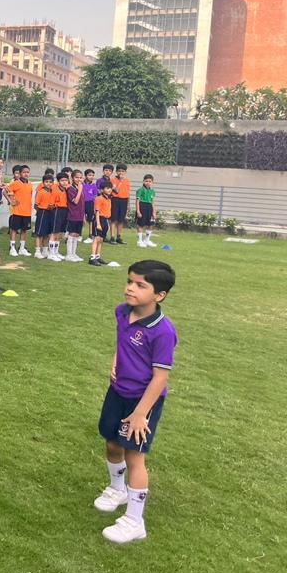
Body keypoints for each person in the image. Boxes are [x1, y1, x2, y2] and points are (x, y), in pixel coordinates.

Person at [94, 260, 178, 544]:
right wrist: (115, 360)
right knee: (111, 443)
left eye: (141, 285)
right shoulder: (122, 311)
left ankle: (134, 520)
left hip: (142, 402)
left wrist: (141, 413)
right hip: (117, 392)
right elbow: (123, 342)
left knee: (134, 456)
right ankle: (117, 489)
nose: (130, 288)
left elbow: (160, 377)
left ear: (159, 295)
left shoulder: (163, 331)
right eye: (130, 281)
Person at [7, 165, 32, 257]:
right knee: (14, 229)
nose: (26, 174)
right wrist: (11, 200)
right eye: (24, 172)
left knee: (24, 230)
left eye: (27, 172)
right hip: (17, 211)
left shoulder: (30, 184)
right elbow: (6, 191)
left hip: (27, 212)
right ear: (20, 173)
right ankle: (12, 248)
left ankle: (22, 248)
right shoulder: (15, 183)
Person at [90, 180, 114, 266]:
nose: (109, 190)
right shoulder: (99, 198)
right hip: (99, 219)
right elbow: (97, 211)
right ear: (102, 190)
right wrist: (98, 224)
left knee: (101, 240)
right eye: (107, 188)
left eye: (110, 188)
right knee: (96, 238)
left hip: (105, 220)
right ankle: (92, 257)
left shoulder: (109, 199)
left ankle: (98, 256)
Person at [33, 173, 56, 259]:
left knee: (47, 233)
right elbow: (36, 205)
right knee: (39, 233)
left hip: (50, 212)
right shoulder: (41, 192)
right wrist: (40, 212)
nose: (48, 184)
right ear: (43, 183)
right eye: (46, 182)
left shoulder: (53, 192)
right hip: (42, 212)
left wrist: (52, 207)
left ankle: (45, 250)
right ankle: (37, 251)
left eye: (50, 182)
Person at [48, 173, 71, 262]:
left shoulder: (65, 190)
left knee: (59, 233)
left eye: (66, 180)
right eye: (62, 180)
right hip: (57, 211)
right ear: (58, 181)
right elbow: (51, 204)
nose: (64, 182)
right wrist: (54, 210)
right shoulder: (55, 190)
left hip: (64, 210)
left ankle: (56, 252)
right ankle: (51, 254)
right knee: (54, 232)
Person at [64, 170, 85, 262]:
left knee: (76, 235)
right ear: (72, 178)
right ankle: (69, 254)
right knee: (72, 234)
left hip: (80, 215)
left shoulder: (80, 187)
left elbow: (82, 203)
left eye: (80, 177)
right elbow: (75, 201)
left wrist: (83, 216)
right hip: (73, 214)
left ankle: (73, 253)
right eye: (77, 177)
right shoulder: (70, 189)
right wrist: (80, 190)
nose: (79, 179)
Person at [136, 175, 158, 248]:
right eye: (146, 181)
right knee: (141, 224)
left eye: (150, 181)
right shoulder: (140, 190)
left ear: (152, 182)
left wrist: (154, 212)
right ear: (143, 181)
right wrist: (138, 211)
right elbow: (137, 201)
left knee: (150, 224)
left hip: (149, 208)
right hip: (142, 207)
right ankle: (140, 241)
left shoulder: (152, 191)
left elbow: (153, 202)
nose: (148, 183)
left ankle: (147, 240)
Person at [111, 164, 131, 245]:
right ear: (116, 172)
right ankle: (112, 237)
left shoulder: (127, 181)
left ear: (125, 172)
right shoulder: (113, 180)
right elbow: (116, 190)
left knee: (121, 220)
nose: (121, 173)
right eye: (119, 171)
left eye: (123, 171)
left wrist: (128, 204)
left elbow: (128, 193)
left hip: (124, 201)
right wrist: (121, 181)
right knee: (113, 219)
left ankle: (119, 237)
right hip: (115, 200)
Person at [82, 169, 99, 247]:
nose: (91, 177)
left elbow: (95, 197)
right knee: (81, 219)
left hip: (90, 204)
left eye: (92, 175)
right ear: (85, 176)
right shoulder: (81, 184)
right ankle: (79, 234)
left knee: (91, 220)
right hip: (82, 203)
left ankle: (90, 236)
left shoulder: (94, 185)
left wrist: (94, 207)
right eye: (89, 175)